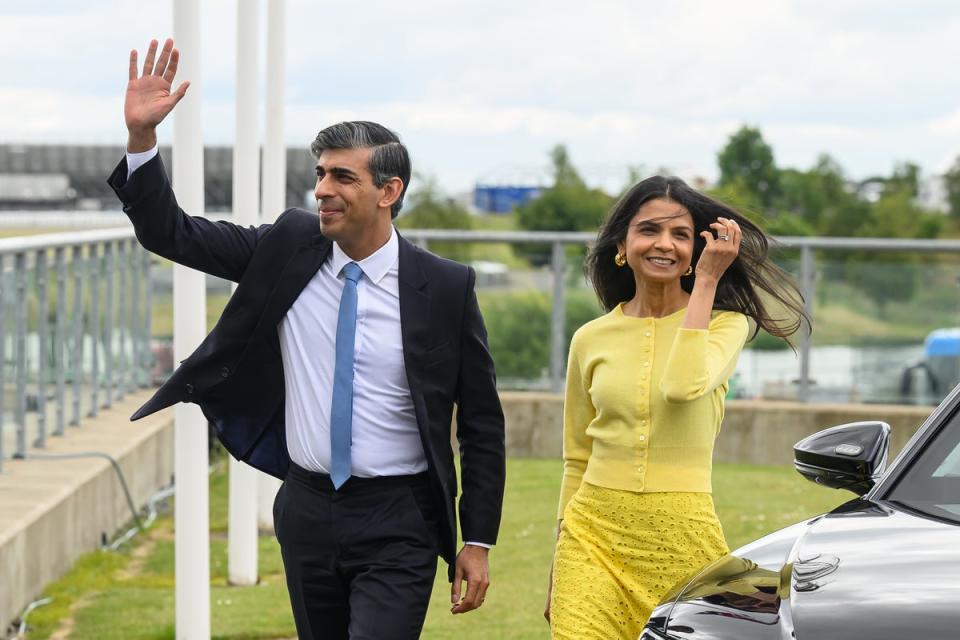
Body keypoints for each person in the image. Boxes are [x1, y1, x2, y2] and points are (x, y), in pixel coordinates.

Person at [109, 39, 506, 640]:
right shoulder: (287, 247)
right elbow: (174, 233)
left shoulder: (445, 286)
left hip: (401, 517)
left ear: (389, 191)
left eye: (342, 176)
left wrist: (476, 540)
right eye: (320, 174)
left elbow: (480, 421)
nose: (322, 189)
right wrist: (142, 140)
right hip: (306, 508)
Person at [545, 176, 807, 639]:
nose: (664, 244)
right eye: (649, 230)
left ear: (695, 251)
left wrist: (707, 282)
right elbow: (576, 457)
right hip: (591, 536)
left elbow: (682, 386)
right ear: (622, 244)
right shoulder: (590, 338)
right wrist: (557, 564)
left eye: (680, 235)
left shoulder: (729, 326)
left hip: (682, 535)